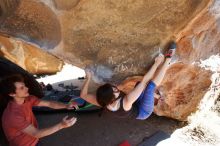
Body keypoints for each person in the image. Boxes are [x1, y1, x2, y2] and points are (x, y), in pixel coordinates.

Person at [79, 42, 176, 120]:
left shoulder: (103, 102)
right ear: (113, 98)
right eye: (115, 91)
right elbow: (144, 81)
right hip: (143, 112)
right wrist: (156, 63)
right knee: (150, 86)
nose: (116, 88)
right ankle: (168, 59)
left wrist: (88, 78)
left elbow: (83, 95)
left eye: (112, 87)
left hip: (134, 105)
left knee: (138, 85)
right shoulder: (126, 101)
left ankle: (157, 96)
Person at [0, 75, 78, 146]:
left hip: (33, 139)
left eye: (24, 86)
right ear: (12, 94)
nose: (27, 88)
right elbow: (36, 133)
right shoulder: (13, 115)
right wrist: (61, 125)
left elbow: (49, 104)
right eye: (21, 88)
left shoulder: (29, 98)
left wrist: (66, 105)